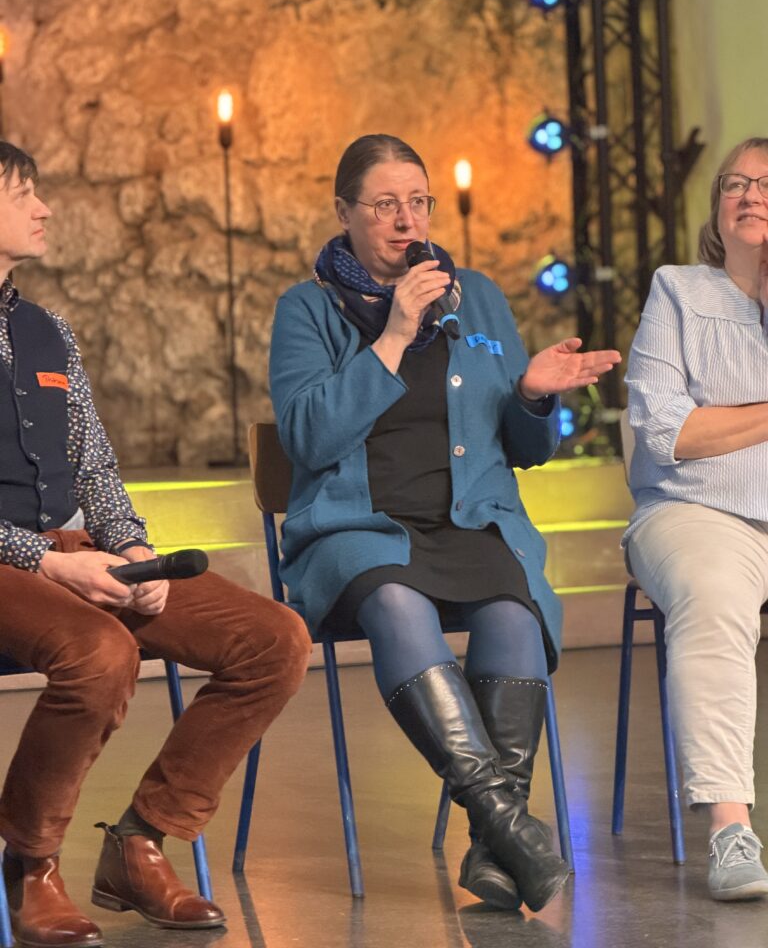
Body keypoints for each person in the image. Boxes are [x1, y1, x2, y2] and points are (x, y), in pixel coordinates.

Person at [269, 133, 620, 912]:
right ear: (344, 212)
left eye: (418, 201)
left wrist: (533, 395)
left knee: (513, 605)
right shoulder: (306, 308)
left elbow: (527, 450)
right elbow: (308, 439)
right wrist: (393, 335)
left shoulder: (480, 296)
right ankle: (507, 821)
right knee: (396, 599)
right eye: (385, 204)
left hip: (469, 523)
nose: (407, 220)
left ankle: (496, 852)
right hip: (357, 529)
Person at [0, 140, 312, 948]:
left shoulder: (47, 331)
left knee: (274, 638)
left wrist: (132, 552)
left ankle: (142, 840)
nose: (45, 207)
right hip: (9, 561)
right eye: (24, 192)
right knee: (103, 655)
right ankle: (29, 863)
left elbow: (94, 461)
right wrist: (48, 560)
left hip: (76, 550)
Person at [624, 136, 768, 902]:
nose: (748, 193)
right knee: (714, 593)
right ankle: (730, 827)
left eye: (766, 184)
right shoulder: (677, 291)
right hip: (694, 511)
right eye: (734, 184)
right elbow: (667, 434)